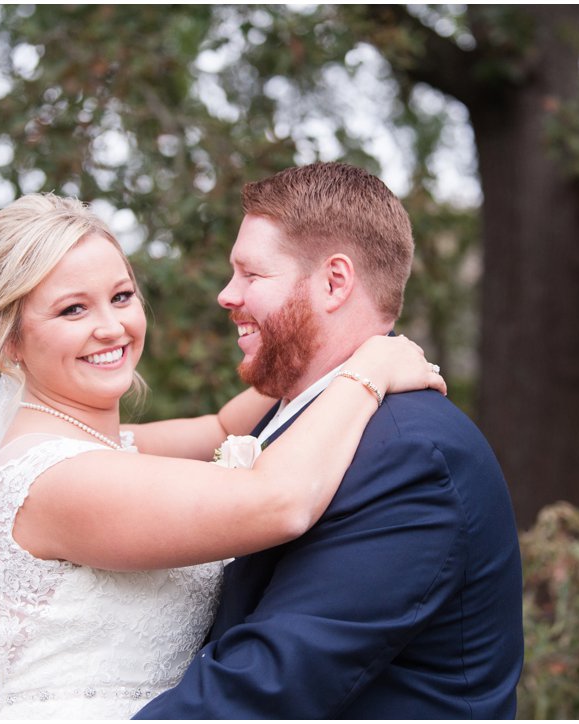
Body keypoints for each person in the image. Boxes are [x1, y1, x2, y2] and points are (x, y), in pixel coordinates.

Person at [0, 192, 445, 720]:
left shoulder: (107, 447)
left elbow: (223, 425)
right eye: (73, 309)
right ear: (10, 334)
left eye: (121, 296)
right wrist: (369, 369)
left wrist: (329, 345)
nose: (112, 327)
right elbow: (278, 502)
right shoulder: (51, 480)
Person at [134, 162, 524, 719]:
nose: (226, 295)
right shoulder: (291, 419)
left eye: (251, 274)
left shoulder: (409, 454)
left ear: (334, 282)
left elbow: (265, 689)